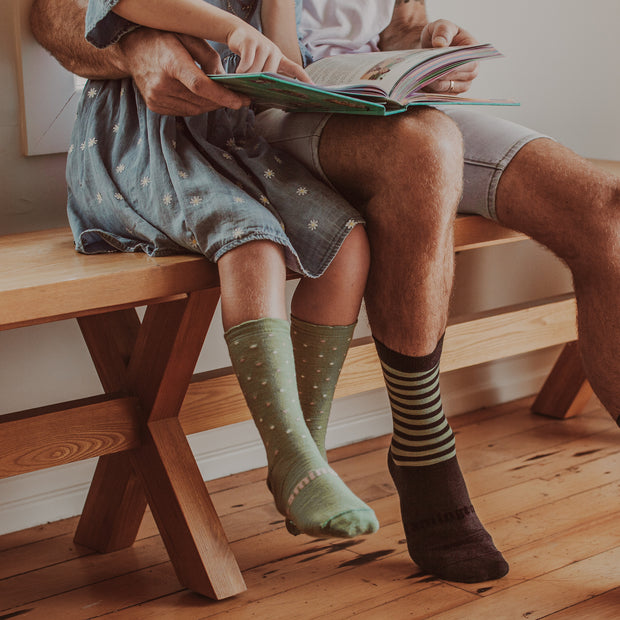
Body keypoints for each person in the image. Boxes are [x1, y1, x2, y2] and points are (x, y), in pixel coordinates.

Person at [29, 0, 620, 584]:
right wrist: (136, 41)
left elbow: (396, 28)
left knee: (605, 210)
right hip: (253, 109)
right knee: (426, 145)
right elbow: (59, 14)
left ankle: (308, 455)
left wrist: (426, 49)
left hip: (371, 102)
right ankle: (423, 448)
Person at [63, 0, 379, 540]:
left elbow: (281, 59)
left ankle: (303, 454)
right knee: (251, 240)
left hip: (230, 140)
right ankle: (295, 458)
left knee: (346, 240)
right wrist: (230, 27)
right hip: (142, 139)